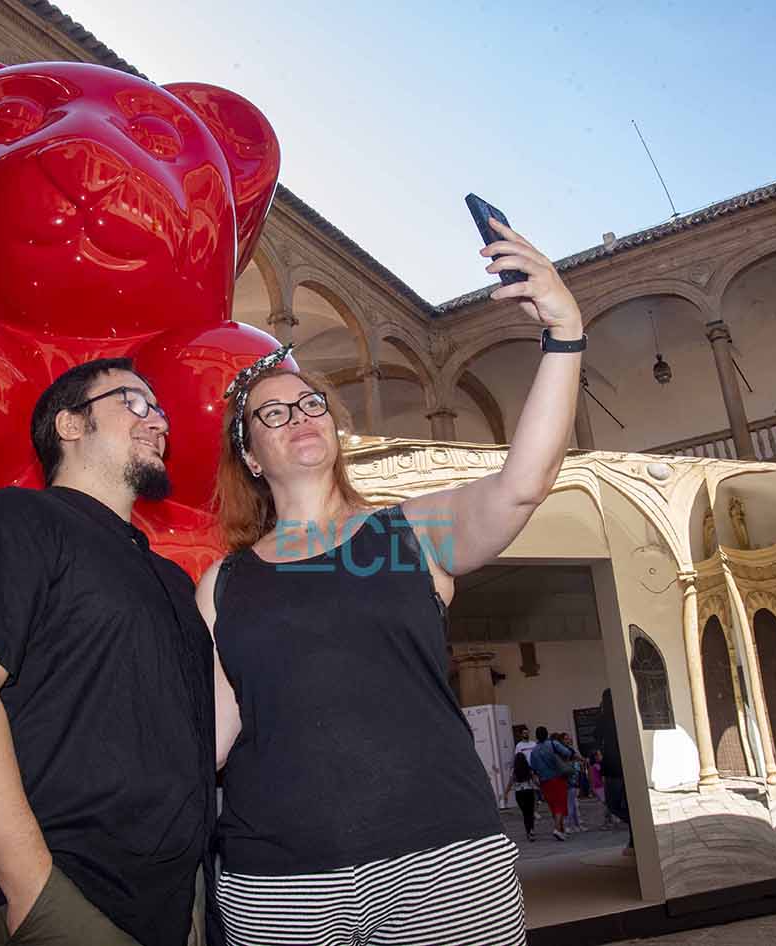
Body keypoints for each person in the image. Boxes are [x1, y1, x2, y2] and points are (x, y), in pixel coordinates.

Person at [200, 216, 585, 945]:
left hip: (441, 865)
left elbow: (523, 483)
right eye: (270, 414)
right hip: (277, 882)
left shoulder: (410, 532)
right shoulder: (222, 582)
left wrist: (562, 335)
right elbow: (210, 736)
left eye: (310, 403)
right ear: (250, 456)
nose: (298, 417)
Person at [0, 358, 214, 946]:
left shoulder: (173, 580)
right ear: (69, 425)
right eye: (133, 401)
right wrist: (34, 891)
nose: (158, 420)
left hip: (176, 906)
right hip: (64, 897)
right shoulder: (13, 519)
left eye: (160, 410)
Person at [597, 689, 634, 855]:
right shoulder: (624, 716)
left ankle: (636, 828)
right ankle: (635, 834)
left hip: (613, 767)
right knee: (629, 804)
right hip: (628, 764)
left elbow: (596, 737)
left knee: (613, 804)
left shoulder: (604, 719)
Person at [528, 727, 579, 841]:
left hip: (544, 781)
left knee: (553, 805)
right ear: (547, 734)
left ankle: (561, 830)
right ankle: (557, 828)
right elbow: (566, 752)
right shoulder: (552, 744)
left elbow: (533, 767)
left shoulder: (534, 751)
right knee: (560, 804)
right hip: (557, 777)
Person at [503, 751, 539, 842]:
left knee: (525, 813)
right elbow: (535, 780)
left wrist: (506, 793)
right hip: (529, 791)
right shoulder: (529, 768)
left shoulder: (514, 770)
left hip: (519, 793)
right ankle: (532, 830)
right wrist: (539, 787)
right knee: (530, 812)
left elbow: (511, 782)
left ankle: (528, 831)